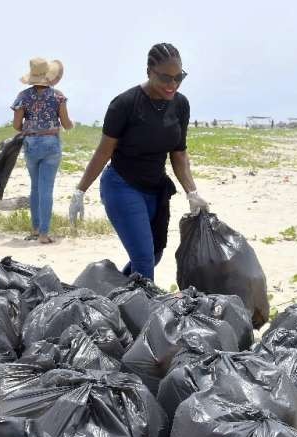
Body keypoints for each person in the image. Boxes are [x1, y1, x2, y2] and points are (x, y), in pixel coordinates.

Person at [68, 43, 208, 280]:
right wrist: (80, 191)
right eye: (165, 78)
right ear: (149, 72)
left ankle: (114, 294)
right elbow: (103, 152)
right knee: (143, 259)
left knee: (154, 254)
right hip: (122, 186)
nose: (172, 85)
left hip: (155, 189)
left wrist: (192, 192)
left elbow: (179, 154)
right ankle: (145, 314)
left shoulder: (181, 104)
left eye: (179, 78)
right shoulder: (124, 104)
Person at [12, 57, 74, 244]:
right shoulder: (58, 96)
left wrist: (31, 126)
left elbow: (16, 125)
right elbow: (66, 123)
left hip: (31, 143)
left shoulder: (23, 96)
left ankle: (36, 228)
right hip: (51, 144)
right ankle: (44, 234)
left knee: (35, 187)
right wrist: (72, 125)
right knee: (47, 189)